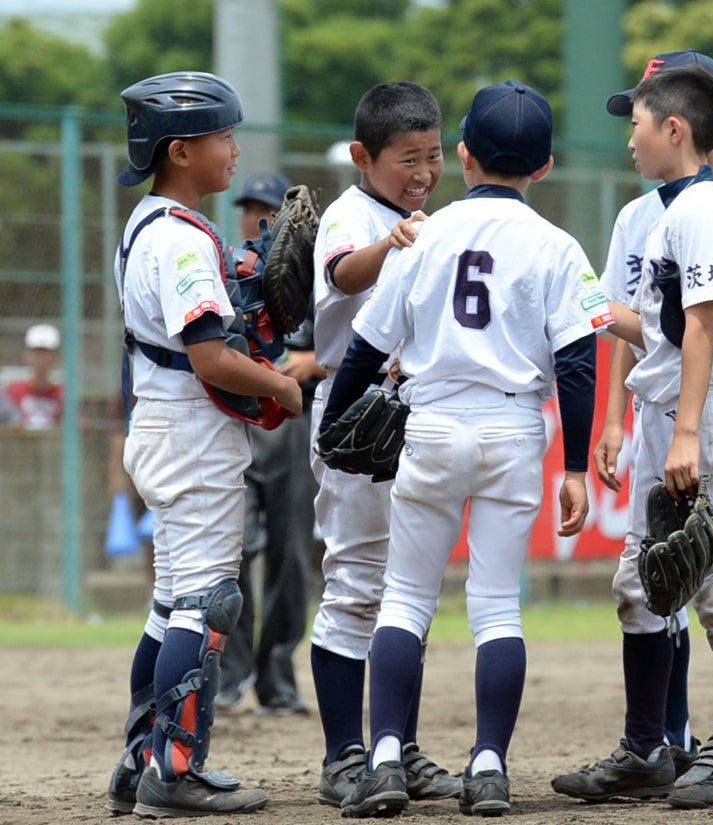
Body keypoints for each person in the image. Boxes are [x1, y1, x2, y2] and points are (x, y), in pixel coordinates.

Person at [318, 78, 612, 818]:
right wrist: (575, 465)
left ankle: (384, 756)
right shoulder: (558, 244)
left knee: (406, 597)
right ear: (543, 168)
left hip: (433, 424)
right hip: (514, 429)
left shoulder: (426, 231)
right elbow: (579, 364)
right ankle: (488, 765)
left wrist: (335, 422)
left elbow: (366, 345)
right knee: (495, 609)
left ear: (465, 154)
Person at [551, 66, 713, 810]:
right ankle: (647, 748)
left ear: (674, 130)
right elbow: (657, 328)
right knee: (643, 582)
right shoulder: (668, 212)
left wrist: (686, 433)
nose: (630, 139)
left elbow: (706, 328)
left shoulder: (701, 212)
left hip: (707, 413)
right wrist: (575, 289)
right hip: (669, 411)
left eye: (639, 124)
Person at [104, 71, 303, 818]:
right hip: (190, 432)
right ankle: (174, 771)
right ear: (181, 151)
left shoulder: (147, 221)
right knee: (207, 601)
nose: (234, 149)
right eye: (223, 137)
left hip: (162, 424)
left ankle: (139, 760)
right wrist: (282, 385)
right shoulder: (184, 240)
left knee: (170, 606)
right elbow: (210, 356)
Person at [307, 81, 459, 809]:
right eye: (407, 158)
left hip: (414, 415)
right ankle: (344, 755)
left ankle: (399, 745)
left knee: (410, 592)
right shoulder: (352, 213)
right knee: (356, 585)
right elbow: (340, 272)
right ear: (363, 156)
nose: (423, 172)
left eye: (432, 155)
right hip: (352, 414)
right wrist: (387, 243)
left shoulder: (429, 218)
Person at [215, 172, 324, 714]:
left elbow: (357, 341)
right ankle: (230, 680)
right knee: (233, 552)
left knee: (289, 554)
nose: (254, 216)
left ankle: (277, 681)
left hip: (294, 424)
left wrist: (314, 363)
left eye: (266, 209)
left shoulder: (314, 278)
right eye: (249, 207)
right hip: (238, 421)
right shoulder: (224, 271)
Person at [4, 323, 64, 429]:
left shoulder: (64, 395)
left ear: (56, 357)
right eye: (36, 351)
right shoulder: (13, 392)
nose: (40, 357)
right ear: (26, 355)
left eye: (45, 352)